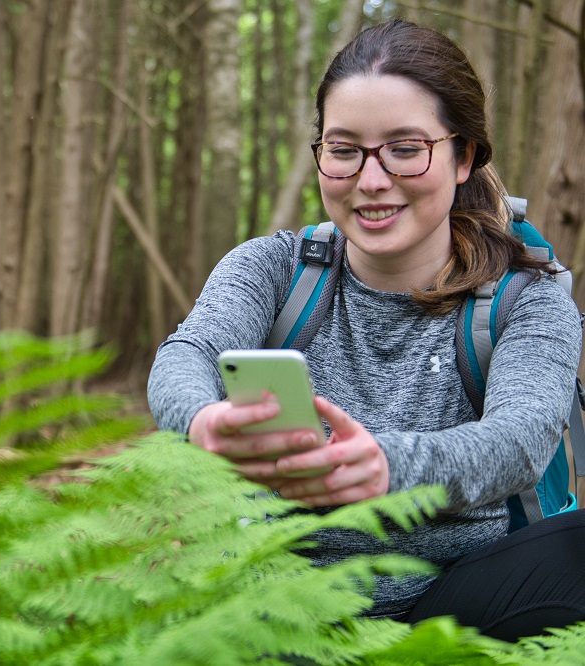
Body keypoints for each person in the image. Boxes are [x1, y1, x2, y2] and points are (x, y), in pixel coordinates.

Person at [147, 18, 585, 641]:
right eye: (344, 149)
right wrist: (202, 420)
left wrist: (388, 468)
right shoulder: (271, 269)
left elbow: (518, 444)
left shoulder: (529, 299)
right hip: (285, 592)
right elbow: (186, 353)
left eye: (406, 148)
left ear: (463, 157)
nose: (371, 180)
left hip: (461, 595)